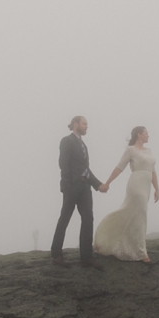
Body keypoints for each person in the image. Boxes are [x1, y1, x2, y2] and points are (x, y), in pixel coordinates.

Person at [93, 126, 159, 263]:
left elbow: (153, 171)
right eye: (146, 133)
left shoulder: (149, 151)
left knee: (131, 213)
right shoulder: (131, 150)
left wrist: (157, 189)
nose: (148, 136)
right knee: (141, 214)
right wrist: (108, 182)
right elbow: (119, 167)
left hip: (146, 186)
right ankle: (142, 253)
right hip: (136, 186)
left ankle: (124, 243)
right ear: (139, 135)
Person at [51, 116, 106, 270]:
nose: (87, 126)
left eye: (87, 123)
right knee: (65, 218)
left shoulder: (83, 145)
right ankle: (56, 255)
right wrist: (66, 185)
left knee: (88, 219)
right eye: (84, 123)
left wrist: (98, 184)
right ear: (75, 124)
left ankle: (87, 257)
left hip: (85, 187)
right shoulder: (66, 141)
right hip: (72, 186)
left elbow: (85, 169)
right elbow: (63, 163)